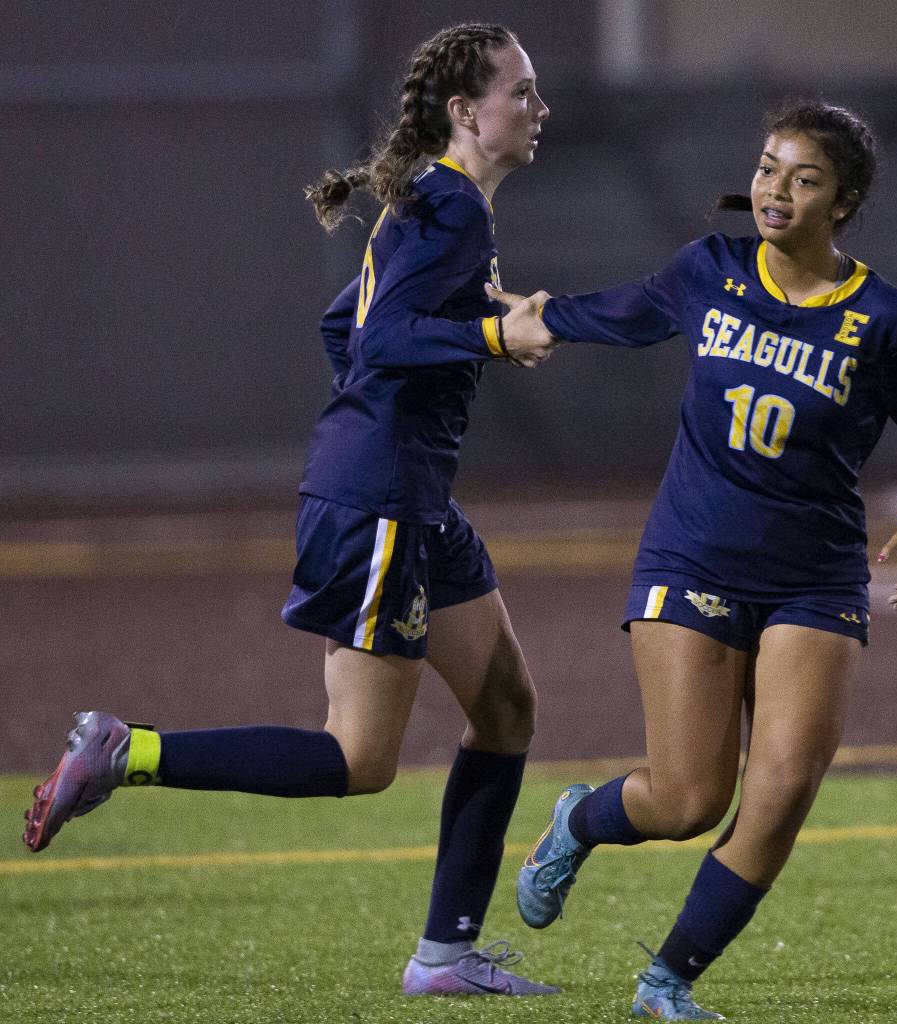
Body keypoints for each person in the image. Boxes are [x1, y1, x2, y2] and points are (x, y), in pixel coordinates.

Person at [23, 22, 558, 998]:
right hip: (385, 502)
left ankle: (446, 956)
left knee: (508, 707)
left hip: (407, 498)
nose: (538, 107)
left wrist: (377, 421)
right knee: (359, 759)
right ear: (464, 113)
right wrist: (494, 332)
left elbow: (341, 326)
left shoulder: (432, 201)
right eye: (520, 91)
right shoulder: (454, 210)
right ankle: (125, 751)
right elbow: (390, 336)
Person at [487, 99, 897, 1020]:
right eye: (766, 168)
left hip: (815, 575)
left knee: (785, 785)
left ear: (844, 201)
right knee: (684, 800)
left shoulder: (882, 317)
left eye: (803, 179)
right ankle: (578, 820)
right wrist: (541, 315)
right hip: (695, 558)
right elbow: (627, 314)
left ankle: (667, 981)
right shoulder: (708, 269)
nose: (774, 191)